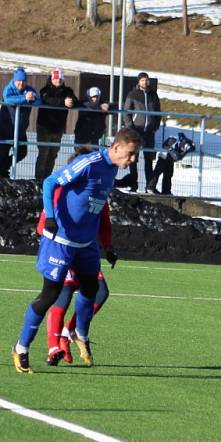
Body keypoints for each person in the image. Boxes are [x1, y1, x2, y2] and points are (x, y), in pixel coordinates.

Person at [10, 128, 141, 374]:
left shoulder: (112, 169)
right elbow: (50, 182)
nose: (133, 160)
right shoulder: (88, 163)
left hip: (86, 244)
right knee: (50, 294)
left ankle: (78, 331)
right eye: (131, 154)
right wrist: (49, 216)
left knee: (92, 287)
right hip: (61, 240)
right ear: (116, 148)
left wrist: (106, 245)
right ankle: (21, 347)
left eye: (136, 156)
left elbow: (98, 209)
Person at [39, 147, 116, 367]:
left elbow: (104, 223)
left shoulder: (98, 191)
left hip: (86, 252)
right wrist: (56, 239)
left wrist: (108, 247)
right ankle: (54, 346)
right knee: (61, 294)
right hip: (63, 251)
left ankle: (69, 331)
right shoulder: (59, 192)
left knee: (100, 291)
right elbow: (42, 225)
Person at [119, 72, 161, 192]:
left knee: (148, 160)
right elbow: (126, 112)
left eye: (146, 80)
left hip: (149, 132)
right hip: (136, 131)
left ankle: (149, 186)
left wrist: (155, 126)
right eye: (142, 80)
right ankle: (133, 184)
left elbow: (158, 112)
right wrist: (130, 126)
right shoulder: (133, 94)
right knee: (133, 159)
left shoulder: (153, 95)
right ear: (139, 82)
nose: (145, 82)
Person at [35, 69, 77, 181]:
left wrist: (71, 101)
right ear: (51, 79)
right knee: (43, 154)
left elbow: (74, 100)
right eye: (56, 78)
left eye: (60, 79)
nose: (58, 80)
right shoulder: (45, 90)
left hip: (58, 129)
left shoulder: (68, 91)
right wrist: (63, 102)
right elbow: (47, 100)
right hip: (44, 127)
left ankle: (47, 179)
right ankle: (38, 179)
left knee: (53, 155)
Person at [0, 67, 41, 179]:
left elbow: (38, 101)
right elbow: (8, 99)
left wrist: (32, 98)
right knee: (1, 153)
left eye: (23, 81)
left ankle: (3, 169)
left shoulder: (29, 89)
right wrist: (24, 98)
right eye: (19, 81)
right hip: (4, 130)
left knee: (22, 153)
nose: (21, 83)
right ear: (14, 80)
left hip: (20, 131)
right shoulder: (9, 88)